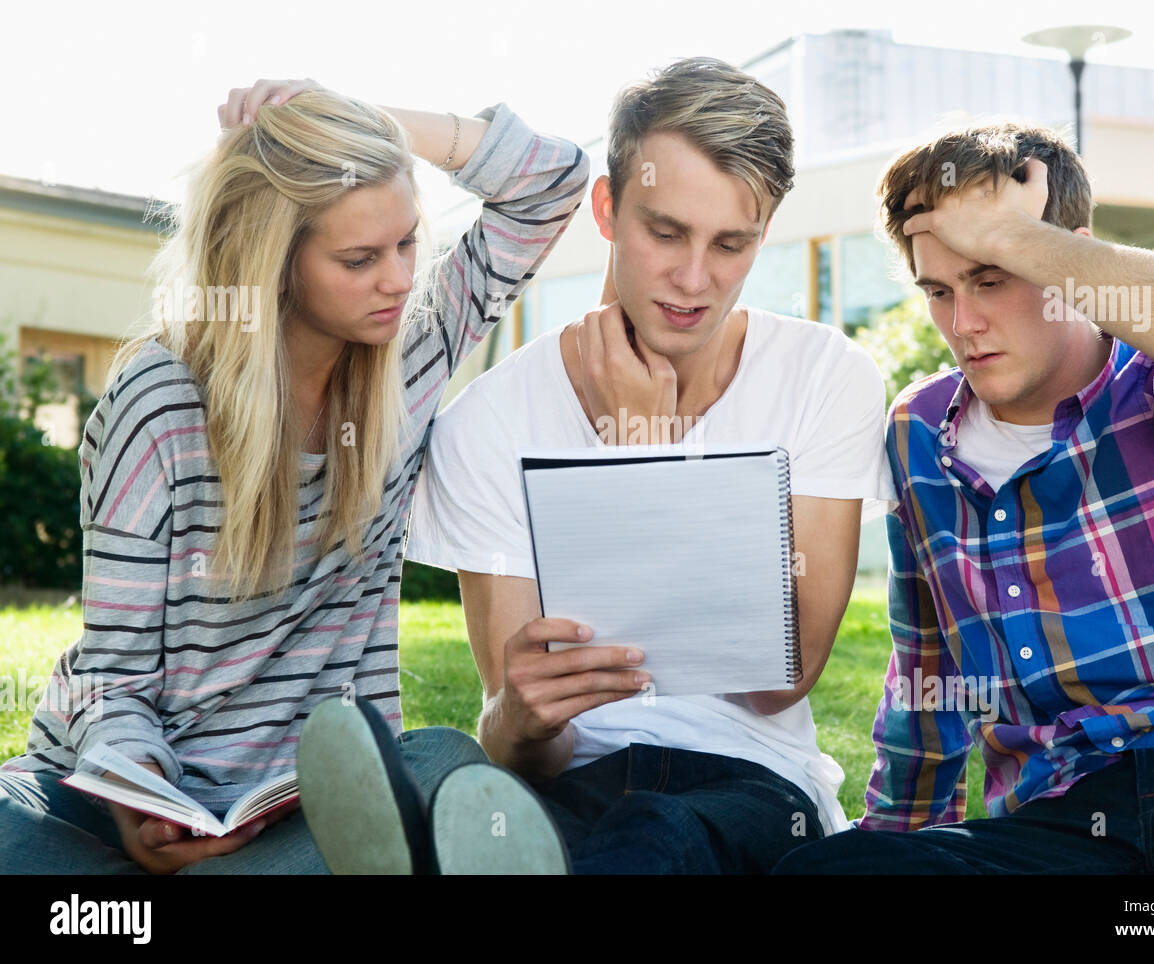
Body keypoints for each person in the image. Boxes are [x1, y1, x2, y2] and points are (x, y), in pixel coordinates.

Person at [0, 78, 588, 874]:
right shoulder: (161, 404)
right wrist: (137, 791)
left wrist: (366, 118)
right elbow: (114, 676)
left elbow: (551, 182)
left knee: (443, 762)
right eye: (359, 258)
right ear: (276, 264)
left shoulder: (409, 356)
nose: (399, 279)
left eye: (408, 242)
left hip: (317, 807)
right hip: (116, 809)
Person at [374, 56, 894, 875]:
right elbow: (518, 745)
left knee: (654, 834)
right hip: (569, 782)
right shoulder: (489, 422)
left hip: (752, 782)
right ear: (609, 208)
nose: (695, 279)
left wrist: (652, 458)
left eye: (732, 243)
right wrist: (523, 716)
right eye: (666, 232)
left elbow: (778, 682)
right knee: (474, 780)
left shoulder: (826, 378)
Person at [774, 120, 1154, 874]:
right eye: (939, 292)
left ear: (1067, 260)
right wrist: (893, 839)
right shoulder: (920, 434)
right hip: (1063, 823)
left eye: (992, 278)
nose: (964, 323)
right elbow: (928, 669)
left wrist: (1017, 234)